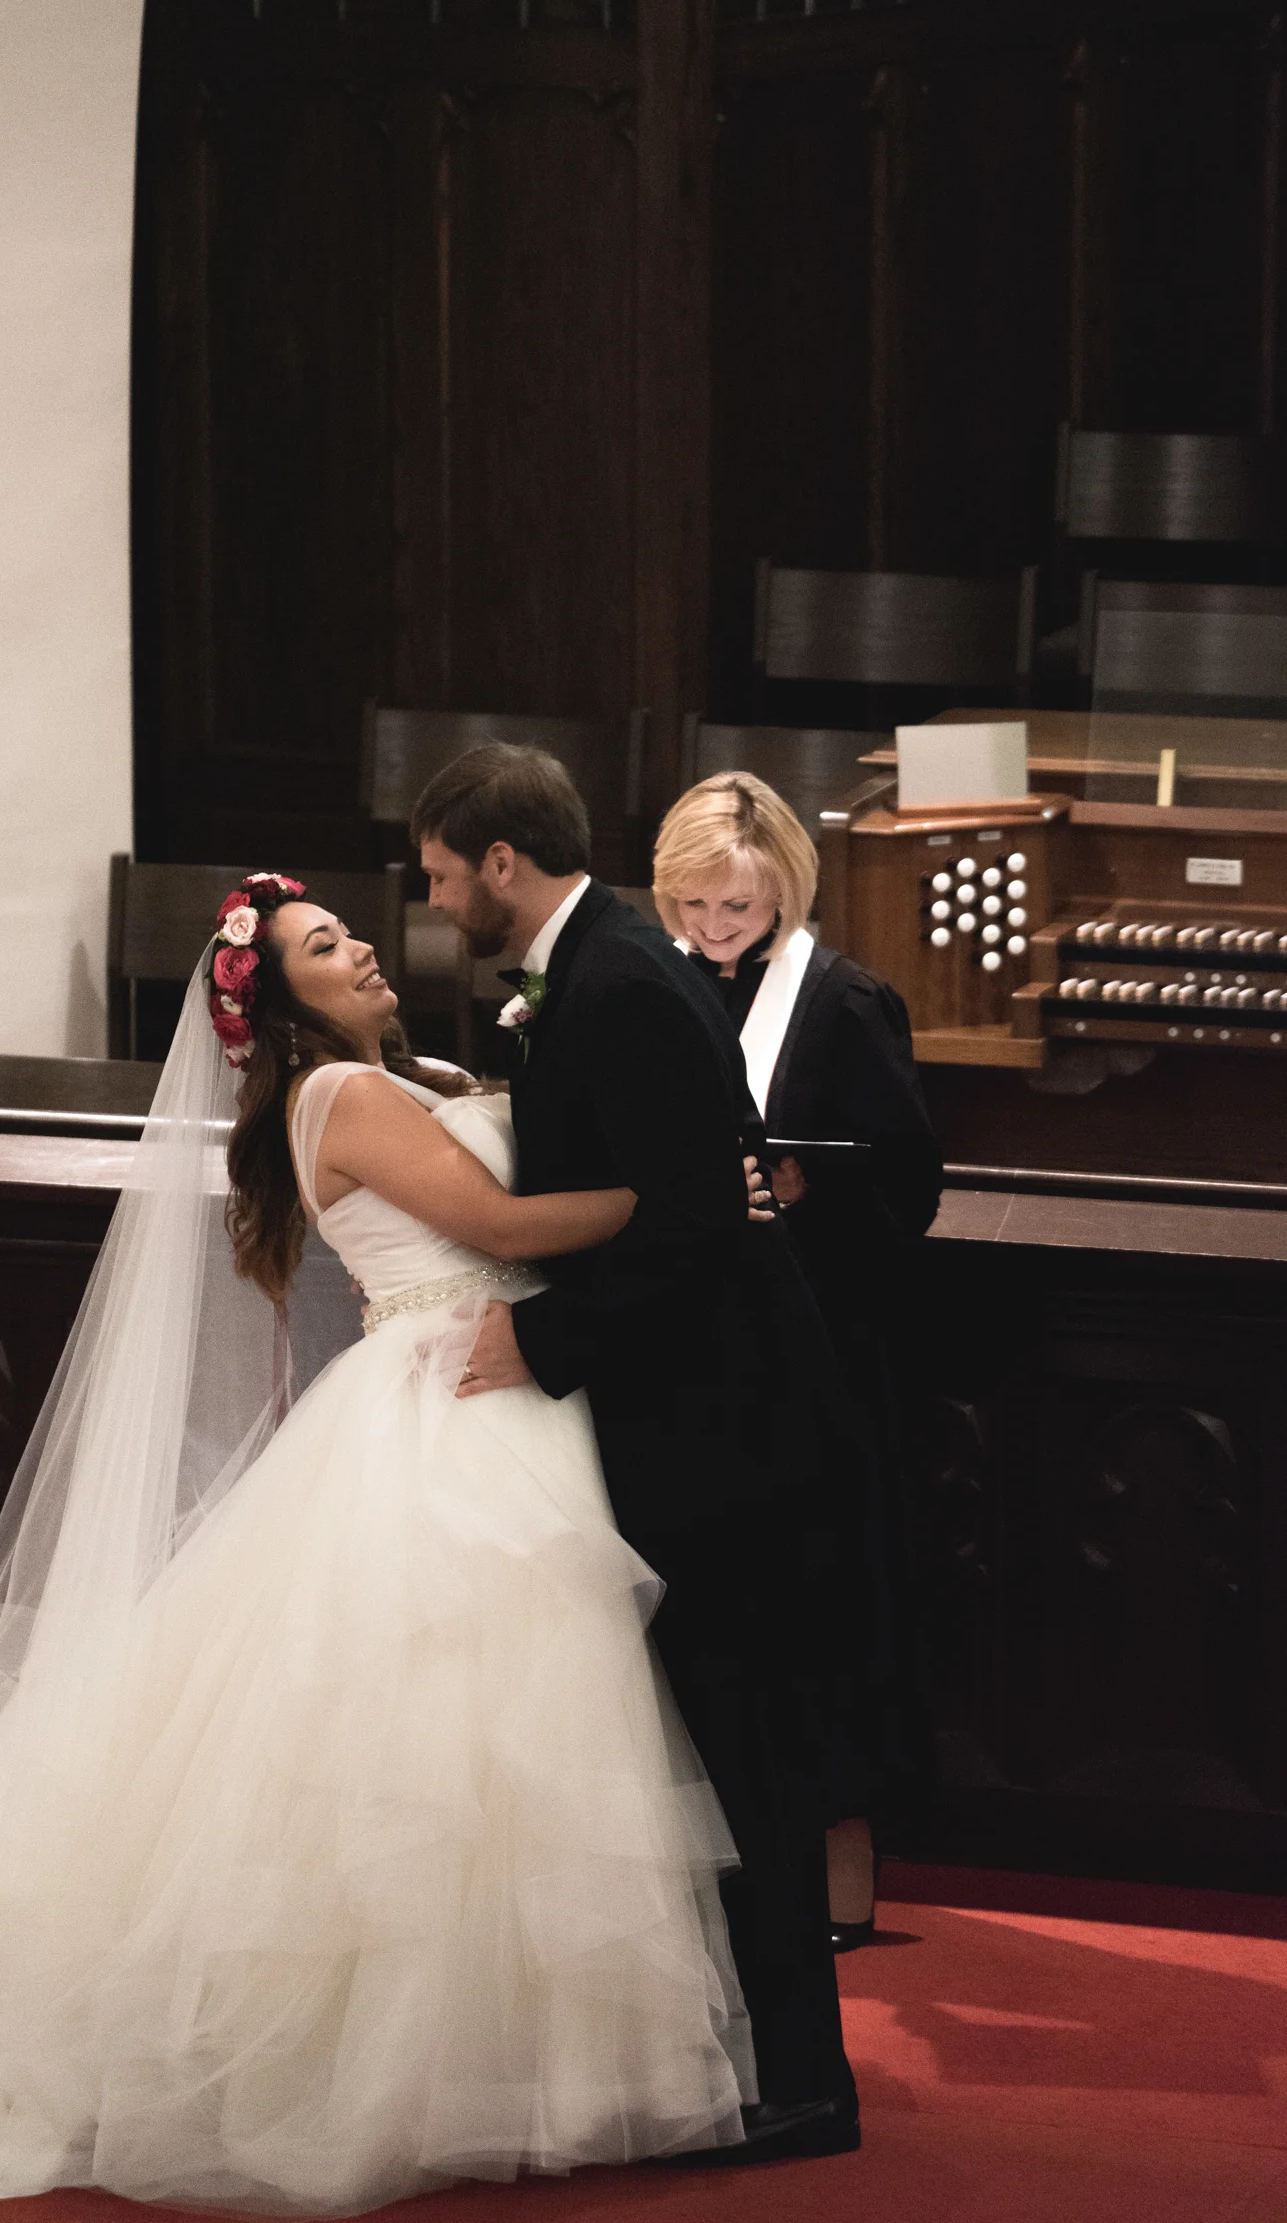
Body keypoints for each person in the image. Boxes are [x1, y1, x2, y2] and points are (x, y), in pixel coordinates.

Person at [0, 871, 768, 2220]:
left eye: (349, 931)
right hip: (441, 1404)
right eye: (325, 946)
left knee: (511, 1735)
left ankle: (516, 2058)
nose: (363, 947)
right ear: (283, 1008)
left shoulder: (411, 1075)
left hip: (502, 1392)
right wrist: (686, 1200)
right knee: (429, 1747)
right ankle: (376, 2062)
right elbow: (501, 1227)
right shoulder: (339, 1094)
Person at [416, 745, 861, 2168]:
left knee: (746, 1758)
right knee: (716, 1752)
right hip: (694, 1413)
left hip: (728, 1428)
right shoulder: (594, 967)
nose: (437, 903)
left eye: (442, 875)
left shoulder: (613, 982)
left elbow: (693, 1223)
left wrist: (539, 1344)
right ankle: (754, 2059)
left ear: (501, 862)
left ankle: (804, 2085)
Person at [651, 769, 943, 1949]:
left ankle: (842, 1883)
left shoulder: (845, 1004)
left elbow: (911, 1186)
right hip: (697, 1353)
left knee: (826, 1621)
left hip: (821, 1355)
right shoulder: (658, 985)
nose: (717, 928)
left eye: (739, 907)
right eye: (695, 907)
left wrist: (811, 1185)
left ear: (785, 891)